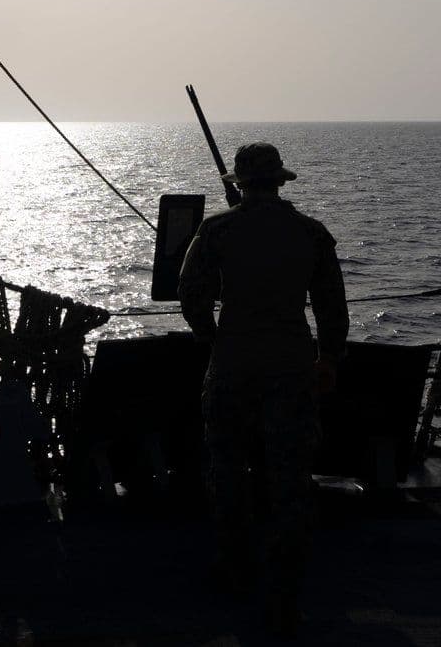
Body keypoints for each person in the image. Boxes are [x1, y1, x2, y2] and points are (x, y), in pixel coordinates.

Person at [178, 142, 348, 637]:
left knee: (228, 467)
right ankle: (285, 590)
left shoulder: (218, 230)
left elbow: (193, 298)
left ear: (238, 183)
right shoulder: (310, 233)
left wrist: (214, 339)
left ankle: (235, 569)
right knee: (290, 478)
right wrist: (329, 358)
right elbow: (331, 308)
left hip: (232, 361)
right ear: (280, 181)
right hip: (292, 363)